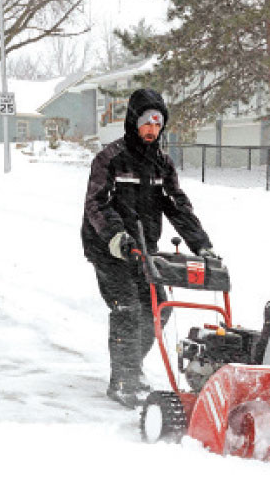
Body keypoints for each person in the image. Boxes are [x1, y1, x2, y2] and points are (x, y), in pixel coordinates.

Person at [81, 88, 218, 408]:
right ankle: (123, 380)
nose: (152, 128)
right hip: (108, 246)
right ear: (133, 121)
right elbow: (96, 203)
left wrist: (202, 246)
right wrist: (117, 237)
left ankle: (133, 367)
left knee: (160, 308)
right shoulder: (110, 158)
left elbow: (178, 207)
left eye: (158, 122)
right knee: (127, 306)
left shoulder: (162, 165)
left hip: (144, 247)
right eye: (146, 121)